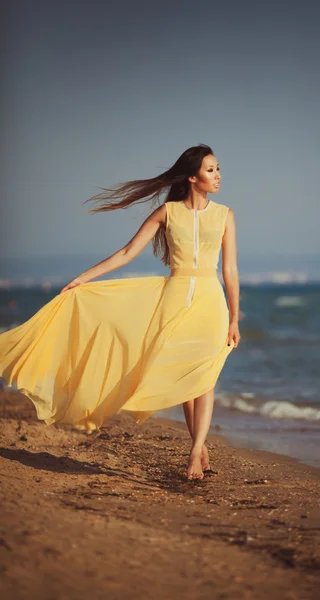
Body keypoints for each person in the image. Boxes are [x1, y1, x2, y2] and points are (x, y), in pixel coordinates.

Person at [0, 144, 240, 480]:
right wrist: (82, 279)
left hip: (210, 302)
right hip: (173, 301)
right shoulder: (167, 213)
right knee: (187, 379)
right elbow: (127, 253)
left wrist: (233, 318)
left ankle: (195, 449)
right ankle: (199, 446)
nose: (218, 175)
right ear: (192, 176)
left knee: (205, 376)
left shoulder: (225, 215)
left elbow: (229, 271)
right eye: (211, 170)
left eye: (218, 169)